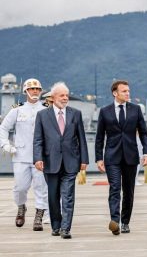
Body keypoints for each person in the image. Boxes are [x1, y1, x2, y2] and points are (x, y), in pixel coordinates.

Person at [33, 82, 89, 239]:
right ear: (53, 97)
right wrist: (37, 158)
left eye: (67, 95)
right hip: (50, 162)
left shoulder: (75, 114)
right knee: (52, 196)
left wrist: (84, 159)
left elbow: (81, 139)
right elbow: (38, 139)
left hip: (71, 161)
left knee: (68, 195)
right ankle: (56, 226)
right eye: (62, 95)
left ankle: (66, 228)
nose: (65, 98)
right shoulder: (42, 115)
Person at [95, 80, 147, 235]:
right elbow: (99, 137)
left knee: (128, 191)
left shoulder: (136, 110)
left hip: (131, 156)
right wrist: (99, 158)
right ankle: (115, 221)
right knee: (114, 188)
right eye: (124, 91)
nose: (128, 93)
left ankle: (125, 221)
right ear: (115, 93)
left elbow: (144, 133)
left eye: (128, 90)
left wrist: (146, 152)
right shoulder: (105, 111)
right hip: (112, 156)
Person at [0, 78, 48, 231]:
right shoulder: (17, 109)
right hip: (20, 155)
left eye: (37, 89)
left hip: (40, 157)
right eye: (32, 89)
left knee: (41, 188)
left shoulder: (47, 108)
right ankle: (21, 207)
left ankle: (39, 217)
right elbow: (3, 128)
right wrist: (6, 144)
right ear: (25, 91)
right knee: (20, 187)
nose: (35, 91)